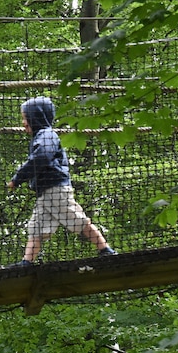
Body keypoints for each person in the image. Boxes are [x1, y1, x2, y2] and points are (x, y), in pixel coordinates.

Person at [6, 96, 116, 266]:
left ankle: (105, 250)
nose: (23, 123)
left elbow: (41, 157)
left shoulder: (47, 135)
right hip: (46, 193)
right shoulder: (41, 136)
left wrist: (18, 178)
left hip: (56, 190)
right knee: (35, 227)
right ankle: (26, 262)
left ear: (35, 117)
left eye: (25, 118)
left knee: (77, 219)